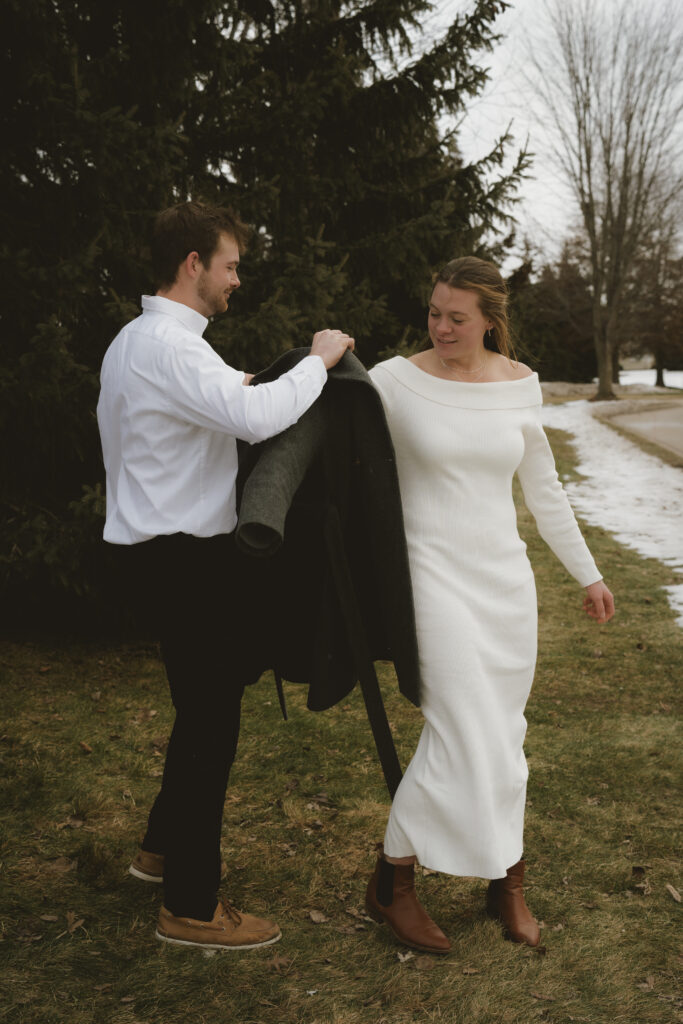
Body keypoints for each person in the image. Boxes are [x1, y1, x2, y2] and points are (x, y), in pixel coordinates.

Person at [97, 201, 354, 953]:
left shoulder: (145, 343)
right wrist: (320, 358)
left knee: (202, 707)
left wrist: (263, 375)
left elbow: (228, 395)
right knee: (212, 723)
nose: (236, 279)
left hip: (164, 556)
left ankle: (158, 851)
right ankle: (190, 907)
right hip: (182, 561)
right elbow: (258, 417)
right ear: (193, 266)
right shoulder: (168, 347)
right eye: (230, 265)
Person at [364, 256, 615, 954]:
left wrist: (586, 574)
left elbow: (544, 489)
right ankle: (393, 880)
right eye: (434, 313)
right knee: (459, 728)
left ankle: (506, 880)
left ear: (489, 322)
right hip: (428, 576)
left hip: (502, 583)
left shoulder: (517, 388)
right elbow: (326, 432)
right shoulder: (393, 381)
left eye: (456, 318)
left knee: (503, 738)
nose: (440, 327)